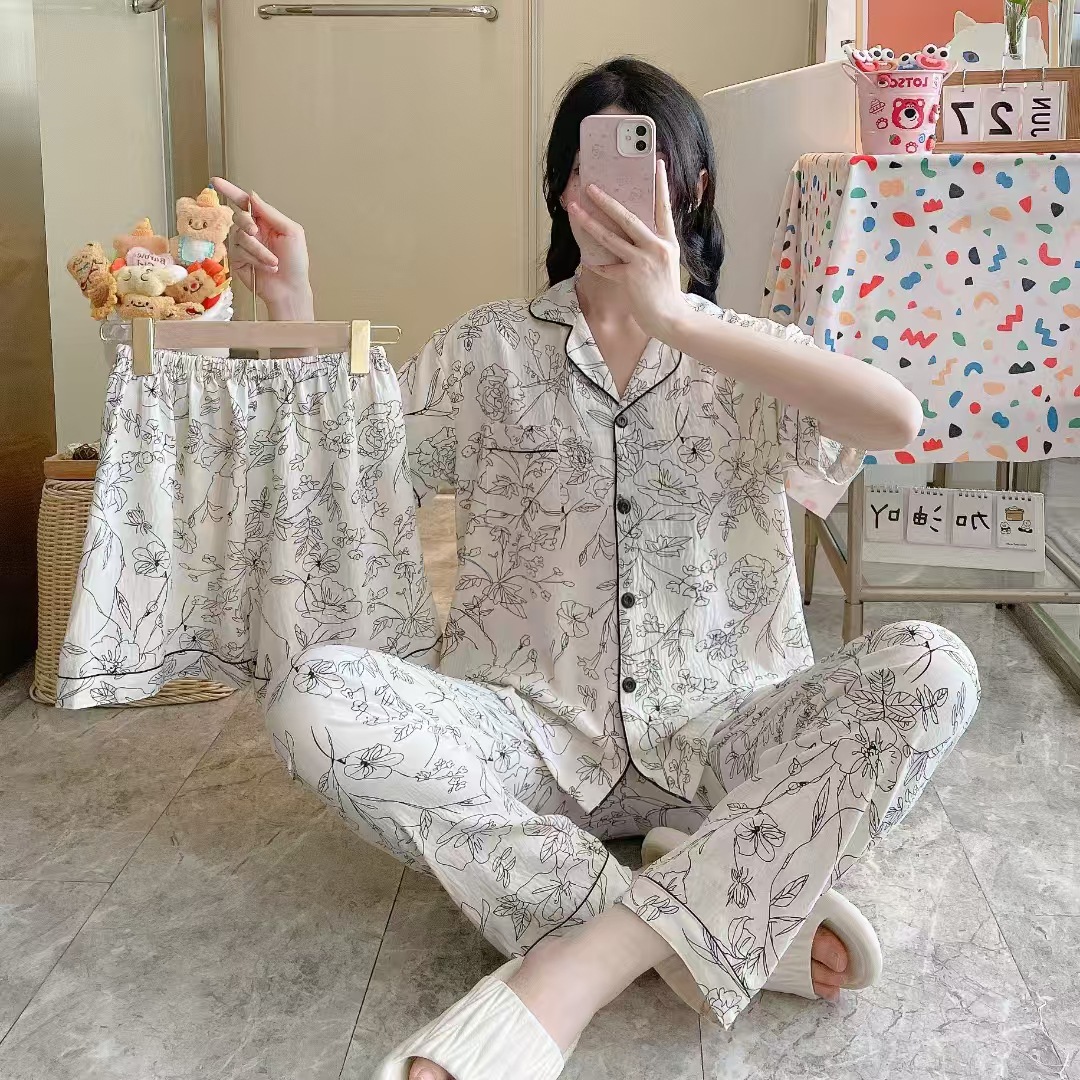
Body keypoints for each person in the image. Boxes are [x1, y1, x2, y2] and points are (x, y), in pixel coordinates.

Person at [214, 56, 979, 1080]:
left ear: (692, 189)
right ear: (560, 191)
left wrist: (678, 320)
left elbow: (896, 419)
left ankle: (583, 964)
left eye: (642, 166)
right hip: (526, 738)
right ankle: (728, 915)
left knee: (935, 668)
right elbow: (351, 468)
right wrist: (291, 304)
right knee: (312, 697)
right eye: (590, 169)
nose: (612, 198)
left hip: (725, 738)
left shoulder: (751, 351)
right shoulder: (487, 348)